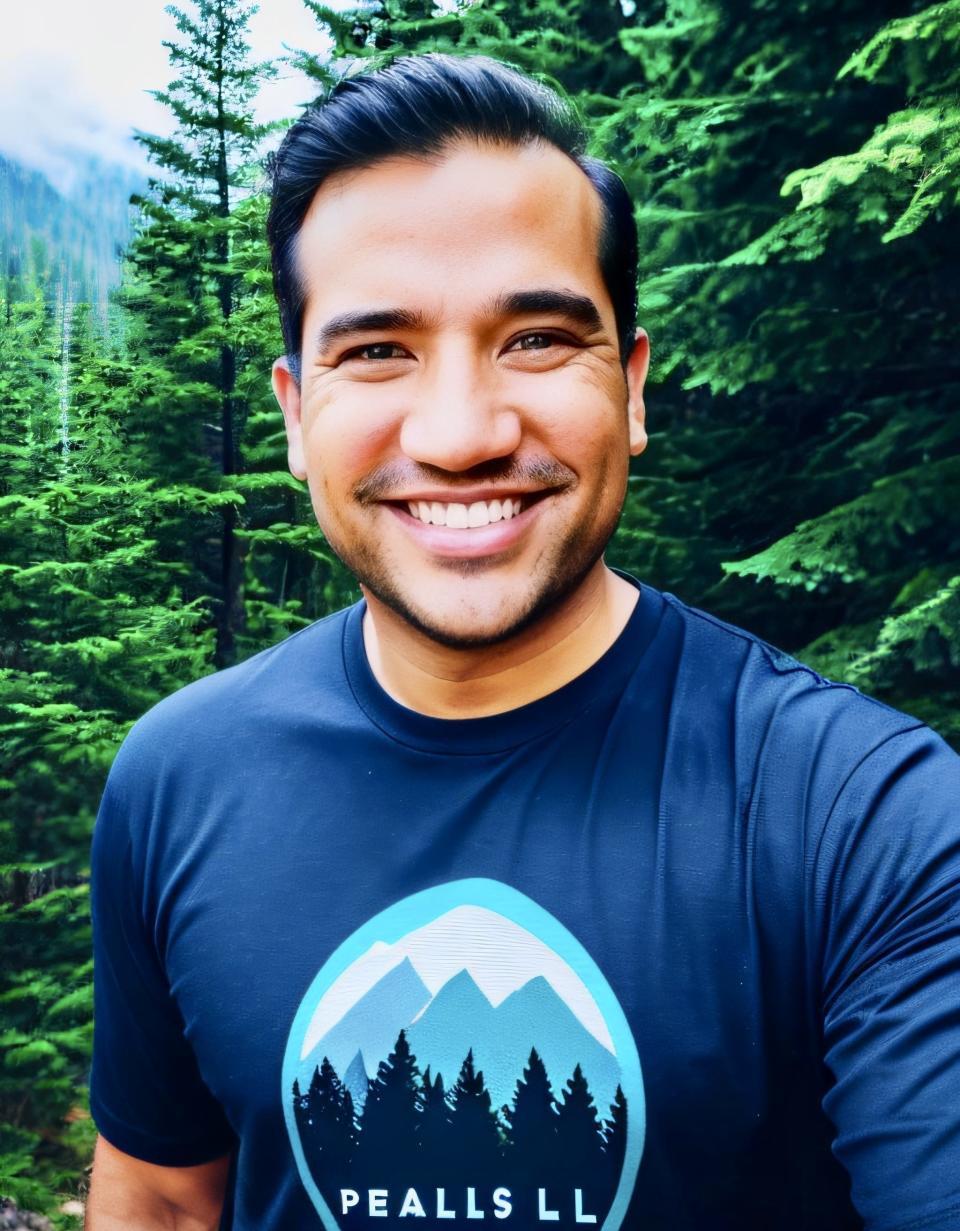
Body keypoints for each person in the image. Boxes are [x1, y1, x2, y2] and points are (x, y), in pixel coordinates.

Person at [85, 53, 960, 1231]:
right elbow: (162, 1198)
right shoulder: (179, 777)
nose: (459, 434)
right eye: (378, 350)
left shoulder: (870, 819)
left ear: (633, 388)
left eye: (538, 339)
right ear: (296, 415)